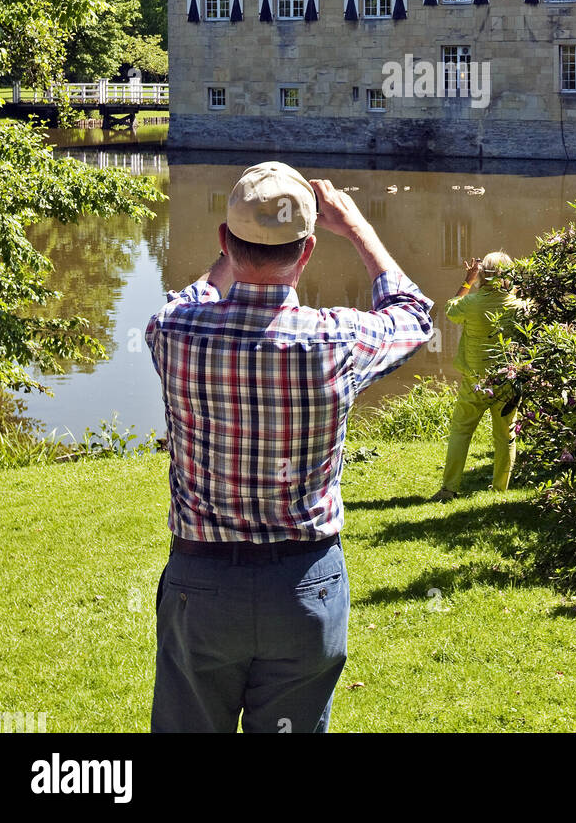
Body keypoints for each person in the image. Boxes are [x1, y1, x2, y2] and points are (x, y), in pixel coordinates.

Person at [145, 162, 433, 733]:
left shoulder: (172, 332)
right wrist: (355, 227)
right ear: (307, 254)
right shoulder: (338, 340)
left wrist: (237, 247)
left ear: (225, 242)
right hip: (306, 587)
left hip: (201, 589)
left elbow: (198, 293)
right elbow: (414, 314)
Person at [431, 251, 523, 502]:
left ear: (482, 275)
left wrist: (467, 281)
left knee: (461, 432)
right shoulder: (518, 307)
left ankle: (449, 489)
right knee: (505, 436)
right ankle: (499, 490)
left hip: (474, 381)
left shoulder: (470, 304)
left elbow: (450, 310)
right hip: (507, 381)